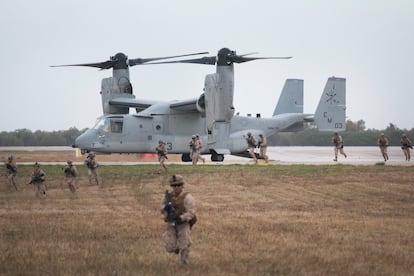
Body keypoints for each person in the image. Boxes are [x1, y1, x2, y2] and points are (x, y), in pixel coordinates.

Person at [160, 175, 197, 265]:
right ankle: (175, 246)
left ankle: (184, 263)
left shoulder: (187, 197)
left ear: (182, 186)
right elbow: (161, 208)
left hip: (183, 223)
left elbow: (191, 212)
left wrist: (181, 218)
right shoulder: (168, 197)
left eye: (178, 185)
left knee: (185, 244)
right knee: (170, 247)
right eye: (174, 185)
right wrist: (166, 208)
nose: (176, 187)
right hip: (171, 223)